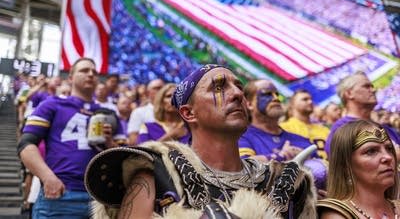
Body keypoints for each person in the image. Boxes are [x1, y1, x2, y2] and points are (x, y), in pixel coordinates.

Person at [85, 64, 317, 218]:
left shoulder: (282, 181)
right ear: (188, 113)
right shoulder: (158, 172)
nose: (237, 94)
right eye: (218, 87)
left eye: (239, 87)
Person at [17, 57, 125, 218]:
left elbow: (126, 158)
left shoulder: (109, 113)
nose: (90, 74)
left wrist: (109, 143)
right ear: (70, 77)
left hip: (100, 199)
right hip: (61, 195)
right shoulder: (51, 104)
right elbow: (26, 145)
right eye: (84, 70)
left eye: (94, 72)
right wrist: (48, 178)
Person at [317, 119, 400, 218]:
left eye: (389, 149)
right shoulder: (337, 216)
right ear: (345, 165)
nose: (388, 157)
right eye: (371, 151)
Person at [325, 71, 400, 157]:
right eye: (366, 86)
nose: (373, 90)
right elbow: (339, 163)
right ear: (349, 94)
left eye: (372, 86)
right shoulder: (341, 129)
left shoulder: (384, 128)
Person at [239, 79, 316, 162]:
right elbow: (244, 165)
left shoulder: (301, 140)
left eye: (277, 94)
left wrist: (307, 159)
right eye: (267, 94)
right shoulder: (240, 137)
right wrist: (281, 156)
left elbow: (322, 167)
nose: (276, 98)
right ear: (249, 104)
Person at [280, 89, 330, 160]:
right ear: (292, 104)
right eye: (305, 99)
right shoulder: (284, 127)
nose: (310, 102)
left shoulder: (323, 129)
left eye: (311, 99)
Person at [127, 78, 165, 145]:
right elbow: (133, 141)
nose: (162, 91)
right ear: (148, 92)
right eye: (157, 88)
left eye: (163, 88)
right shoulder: (138, 112)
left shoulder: (174, 112)